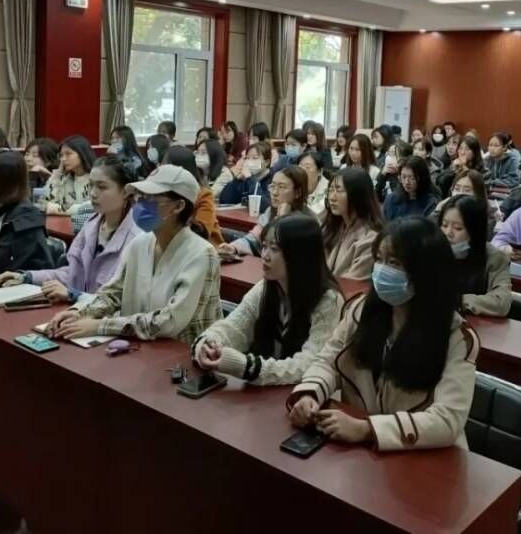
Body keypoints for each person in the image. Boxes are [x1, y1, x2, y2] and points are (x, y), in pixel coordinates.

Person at [287, 216, 478, 451]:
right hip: (361, 450)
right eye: (379, 259)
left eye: (395, 263)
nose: (382, 270)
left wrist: (368, 429)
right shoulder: (361, 309)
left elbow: (447, 420)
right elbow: (327, 361)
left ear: (425, 272)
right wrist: (310, 394)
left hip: (424, 455)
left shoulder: (457, 336)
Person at [46, 165, 221, 343]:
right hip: (138, 348)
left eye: (150, 198)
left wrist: (99, 325)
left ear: (178, 206)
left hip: (182, 354)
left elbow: (168, 322)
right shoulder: (140, 243)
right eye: (140, 197)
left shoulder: (201, 254)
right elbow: (112, 293)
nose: (141, 204)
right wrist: (79, 312)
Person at [193, 214, 343, 384]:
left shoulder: (328, 301)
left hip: (301, 395)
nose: (265, 255)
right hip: (265, 393)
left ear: (300, 254)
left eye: (275, 249)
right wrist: (208, 344)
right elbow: (234, 327)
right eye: (264, 246)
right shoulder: (265, 288)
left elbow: (309, 364)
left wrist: (250, 367)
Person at [0, 155, 142, 303]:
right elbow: (73, 274)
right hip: (78, 312)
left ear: (126, 192)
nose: (93, 193)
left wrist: (74, 295)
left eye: (102, 187)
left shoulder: (138, 238)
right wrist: (26, 277)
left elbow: (123, 302)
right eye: (91, 185)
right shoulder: (91, 225)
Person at [440, 195, 512, 317]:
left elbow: (501, 302)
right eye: (444, 225)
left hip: (475, 323)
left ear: (475, 230)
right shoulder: (431, 250)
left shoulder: (495, 258)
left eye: (458, 228)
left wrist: (458, 301)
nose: (448, 233)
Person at [220, 166, 309, 256]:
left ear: (297, 193)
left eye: (281, 187)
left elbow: (286, 252)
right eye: (272, 186)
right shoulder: (270, 211)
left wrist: (282, 219)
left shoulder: (308, 222)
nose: (274, 192)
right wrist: (234, 247)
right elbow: (254, 238)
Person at [321, 168, 384, 280]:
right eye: (330, 190)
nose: (332, 198)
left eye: (339, 191)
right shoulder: (333, 229)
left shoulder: (370, 239)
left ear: (357, 195)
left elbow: (353, 283)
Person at [165, 145, 224, 246]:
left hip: (206, 248)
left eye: (165, 165)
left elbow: (202, 231)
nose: (161, 169)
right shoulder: (165, 192)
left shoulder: (203, 194)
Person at [40, 135, 95, 216]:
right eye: (61, 155)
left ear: (82, 153)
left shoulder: (97, 179)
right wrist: (58, 174)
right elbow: (44, 204)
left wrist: (57, 209)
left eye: (68, 154)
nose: (63, 159)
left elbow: (93, 207)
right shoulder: (64, 179)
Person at [439, 169, 497, 239]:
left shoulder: (487, 219)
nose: (460, 193)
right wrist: (438, 209)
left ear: (478, 194)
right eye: (457, 189)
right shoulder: (443, 208)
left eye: (467, 190)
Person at [219, 142, 273, 212]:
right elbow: (224, 200)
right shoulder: (244, 179)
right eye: (247, 158)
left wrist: (250, 179)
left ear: (267, 162)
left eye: (255, 158)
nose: (249, 161)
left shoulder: (273, 180)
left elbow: (263, 206)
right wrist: (236, 181)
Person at [383, 156, 440, 221]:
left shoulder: (431, 203)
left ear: (422, 178)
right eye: (404, 177)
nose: (407, 182)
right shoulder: (391, 199)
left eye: (412, 178)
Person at [298, 151, 330, 217]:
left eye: (307, 167)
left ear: (319, 171)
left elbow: (316, 215)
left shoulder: (329, 189)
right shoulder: (294, 186)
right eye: (300, 167)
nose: (302, 170)